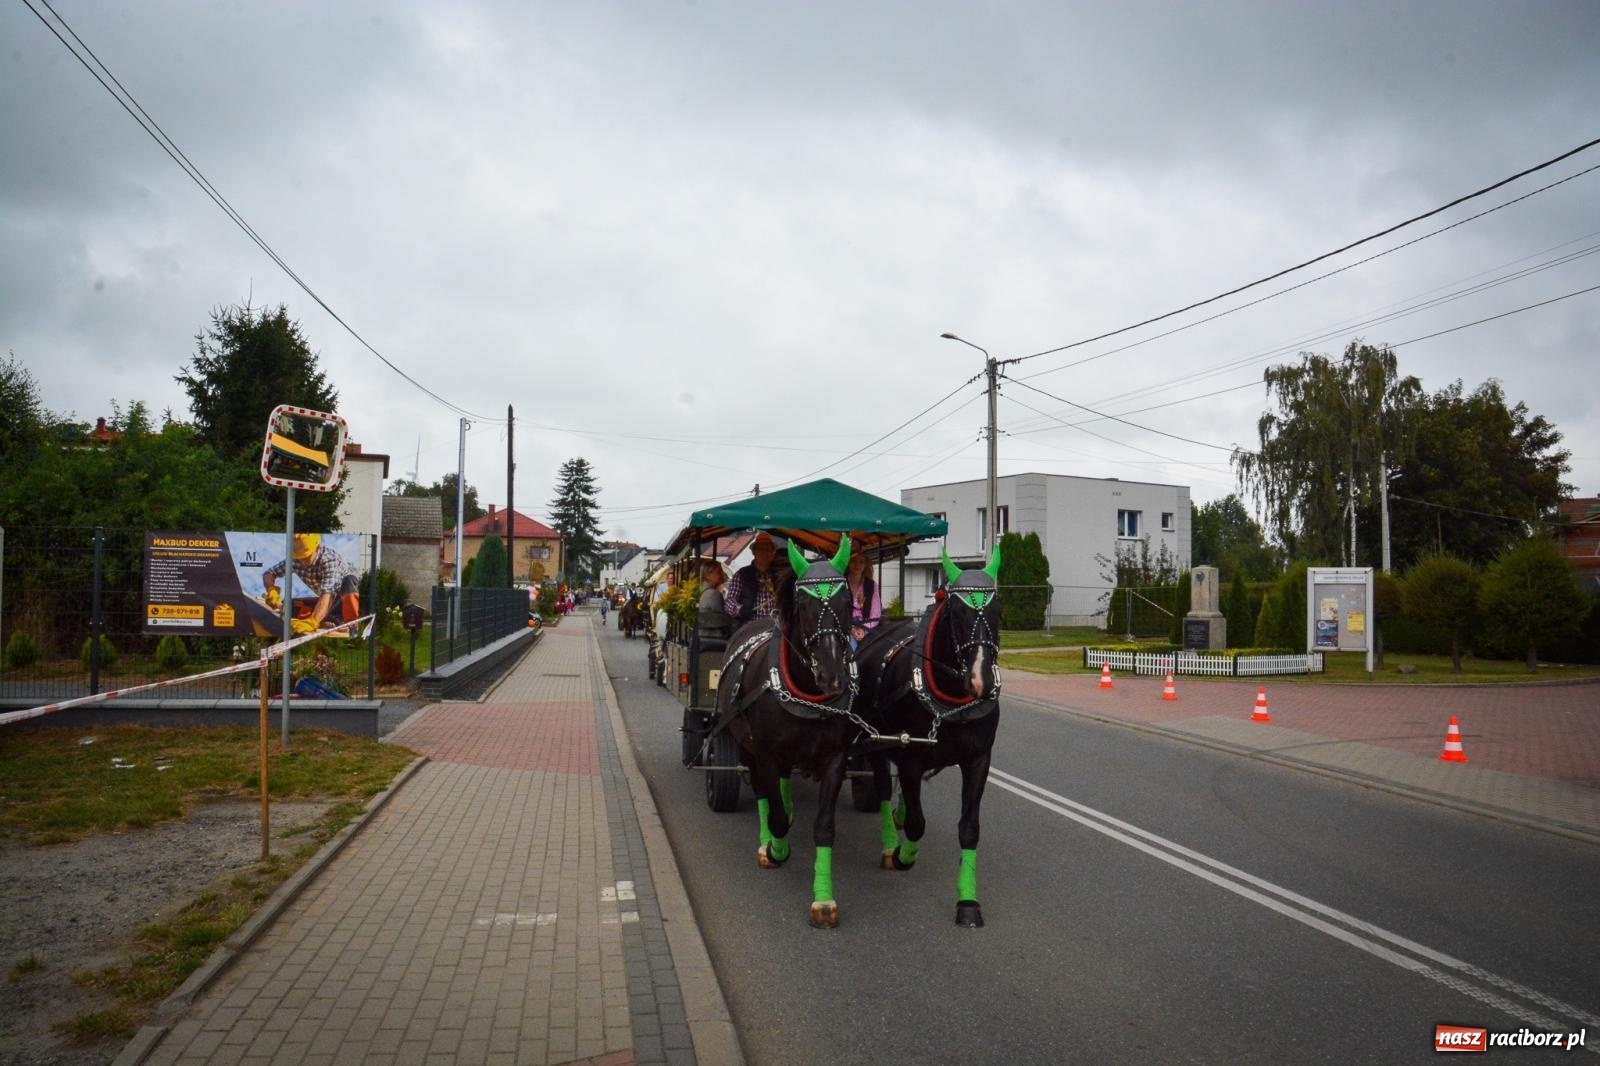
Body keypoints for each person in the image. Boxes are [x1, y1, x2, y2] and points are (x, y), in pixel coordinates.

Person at [261, 533, 360, 635]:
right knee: (290, 605)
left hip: (342, 600)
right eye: (299, 557)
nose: (302, 560)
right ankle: (332, 618)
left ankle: (351, 625)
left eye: (306, 556)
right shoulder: (295, 559)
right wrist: (271, 589)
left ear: (317, 548)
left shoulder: (329, 560)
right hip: (326, 602)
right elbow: (269, 574)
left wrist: (313, 622)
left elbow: (328, 593)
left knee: (350, 580)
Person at [723, 531, 792, 625]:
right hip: (749, 625)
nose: (765, 553)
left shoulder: (780, 574)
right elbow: (730, 601)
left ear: (773, 553)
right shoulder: (741, 574)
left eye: (768, 550)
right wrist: (740, 610)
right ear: (754, 552)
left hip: (776, 625)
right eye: (761, 549)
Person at [845, 538, 881, 648]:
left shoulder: (871, 585)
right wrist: (852, 629)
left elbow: (876, 613)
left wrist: (863, 629)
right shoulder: (841, 583)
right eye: (854, 561)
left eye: (861, 562)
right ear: (848, 563)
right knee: (852, 648)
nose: (857, 565)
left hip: (867, 626)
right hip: (846, 626)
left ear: (865, 565)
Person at [697, 558, 732, 637]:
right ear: (707, 575)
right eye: (718, 572)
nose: (721, 575)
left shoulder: (702, 591)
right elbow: (722, 619)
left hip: (703, 635)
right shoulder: (713, 594)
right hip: (714, 637)